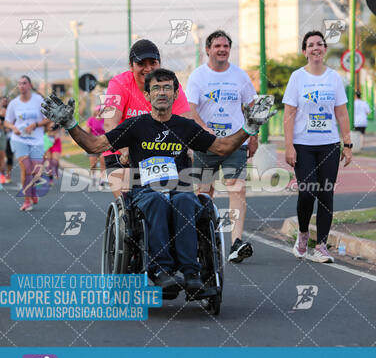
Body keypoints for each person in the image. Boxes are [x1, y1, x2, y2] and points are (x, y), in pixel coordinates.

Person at [41, 69, 275, 293]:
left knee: (185, 200)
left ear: (175, 94)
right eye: (156, 88)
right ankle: (161, 270)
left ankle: (191, 273)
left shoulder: (186, 127)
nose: (161, 92)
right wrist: (70, 124)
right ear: (147, 95)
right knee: (156, 201)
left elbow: (222, 147)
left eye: (167, 88)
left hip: (180, 188)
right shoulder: (136, 126)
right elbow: (94, 145)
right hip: (144, 191)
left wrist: (249, 128)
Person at [186, 30, 257, 264]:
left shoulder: (240, 76)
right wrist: (202, 128)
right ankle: (203, 238)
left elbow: (252, 106)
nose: (222, 49)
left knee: (237, 188)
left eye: (226, 46)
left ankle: (236, 243)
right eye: (217, 46)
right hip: (206, 144)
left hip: (235, 141)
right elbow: (191, 109)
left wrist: (253, 136)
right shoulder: (198, 76)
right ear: (208, 49)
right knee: (204, 193)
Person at [283, 30, 352, 263]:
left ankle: (321, 245)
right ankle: (303, 234)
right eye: (311, 44)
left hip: (329, 145)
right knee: (307, 192)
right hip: (303, 145)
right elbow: (289, 114)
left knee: (326, 194)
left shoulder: (334, 77)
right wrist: (289, 146)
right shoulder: (297, 78)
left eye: (320, 44)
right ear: (305, 51)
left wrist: (348, 144)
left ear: (324, 49)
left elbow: (341, 113)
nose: (316, 48)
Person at [102, 39, 191, 198]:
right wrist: (126, 151)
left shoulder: (170, 85)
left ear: (159, 64)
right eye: (142, 64)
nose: (148, 69)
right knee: (130, 201)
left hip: (160, 153)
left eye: (153, 63)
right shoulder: (117, 84)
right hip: (122, 153)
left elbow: (185, 122)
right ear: (131, 66)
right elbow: (109, 123)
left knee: (180, 199)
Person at [4, 75, 49, 211]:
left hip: (36, 139)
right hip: (20, 140)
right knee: (26, 169)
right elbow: (7, 121)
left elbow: (48, 119)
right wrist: (14, 128)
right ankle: (26, 200)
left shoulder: (38, 100)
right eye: (19, 84)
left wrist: (35, 124)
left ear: (30, 85)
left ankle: (33, 190)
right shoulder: (14, 103)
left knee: (36, 170)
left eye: (24, 83)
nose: (22, 86)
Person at [86, 106, 107, 189]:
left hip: (103, 144)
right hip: (93, 144)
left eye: (101, 111)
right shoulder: (91, 120)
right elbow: (87, 132)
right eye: (98, 110)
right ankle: (94, 179)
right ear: (95, 111)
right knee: (93, 164)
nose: (100, 112)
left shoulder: (105, 120)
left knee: (103, 161)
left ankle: (102, 180)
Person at [0, 96, 14, 183]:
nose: (5, 103)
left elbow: (15, 121)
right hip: (0, 135)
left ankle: (8, 175)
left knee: (9, 156)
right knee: (1, 156)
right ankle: (1, 174)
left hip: (10, 136)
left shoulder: (11, 111)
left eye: (6, 101)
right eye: (3, 101)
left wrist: (10, 127)